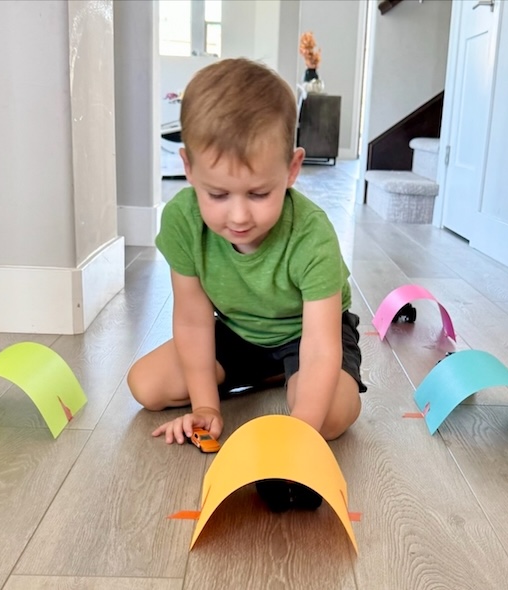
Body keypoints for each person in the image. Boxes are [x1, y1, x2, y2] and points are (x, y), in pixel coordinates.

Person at [127, 58, 366, 509]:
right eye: (217, 195)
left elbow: (319, 345)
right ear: (189, 168)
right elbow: (195, 322)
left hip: (308, 337)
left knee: (330, 415)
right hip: (237, 331)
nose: (238, 217)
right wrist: (206, 408)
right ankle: (266, 372)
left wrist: (297, 439)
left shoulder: (312, 234)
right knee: (146, 385)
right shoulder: (182, 221)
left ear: (292, 170)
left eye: (258, 194)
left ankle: (285, 375)